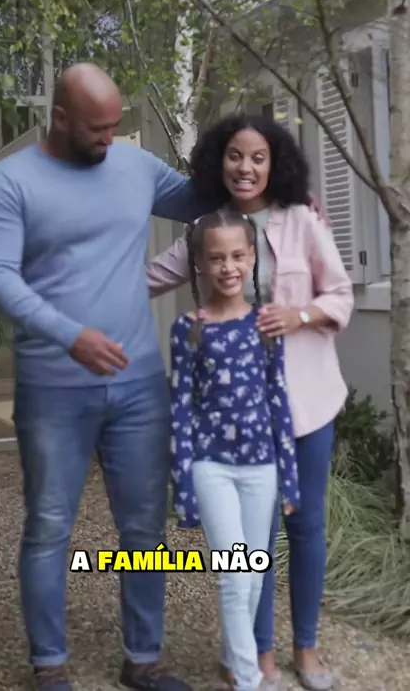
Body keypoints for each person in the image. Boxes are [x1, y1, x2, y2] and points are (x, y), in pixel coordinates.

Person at [0, 63, 214, 691]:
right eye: (98, 129)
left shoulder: (134, 167)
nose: (110, 138)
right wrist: (69, 335)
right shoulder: (10, 183)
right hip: (52, 387)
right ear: (60, 118)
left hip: (139, 385)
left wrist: (281, 190)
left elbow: (200, 201)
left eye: (115, 125)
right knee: (50, 525)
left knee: (144, 527)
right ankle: (49, 666)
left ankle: (144, 660)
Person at [146, 113, 354, 691]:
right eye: (235, 156)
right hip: (237, 421)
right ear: (219, 162)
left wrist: (300, 315)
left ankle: (306, 646)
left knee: (305, 526)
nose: (246, 167)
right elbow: (145, 279)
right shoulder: (206, 231)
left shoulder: (303, 220)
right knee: (250, 544)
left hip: (306, 401)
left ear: (274, 163)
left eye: (258, 157)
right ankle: (256, 653)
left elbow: (340, 295)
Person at [169, 209, 300, 691]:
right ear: (200, 264)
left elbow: (278, 398)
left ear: (252, 258)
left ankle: (231, 659)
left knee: (255, 575)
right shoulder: (189, 328)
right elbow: (180, 407)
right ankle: (247, 679)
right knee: (235, 575)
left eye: (237, 256)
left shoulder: (265, 324)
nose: (228, 267)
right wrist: (183, 485)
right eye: (217, 257)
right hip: (212, 467)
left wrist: (289, 478)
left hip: (260, 467)